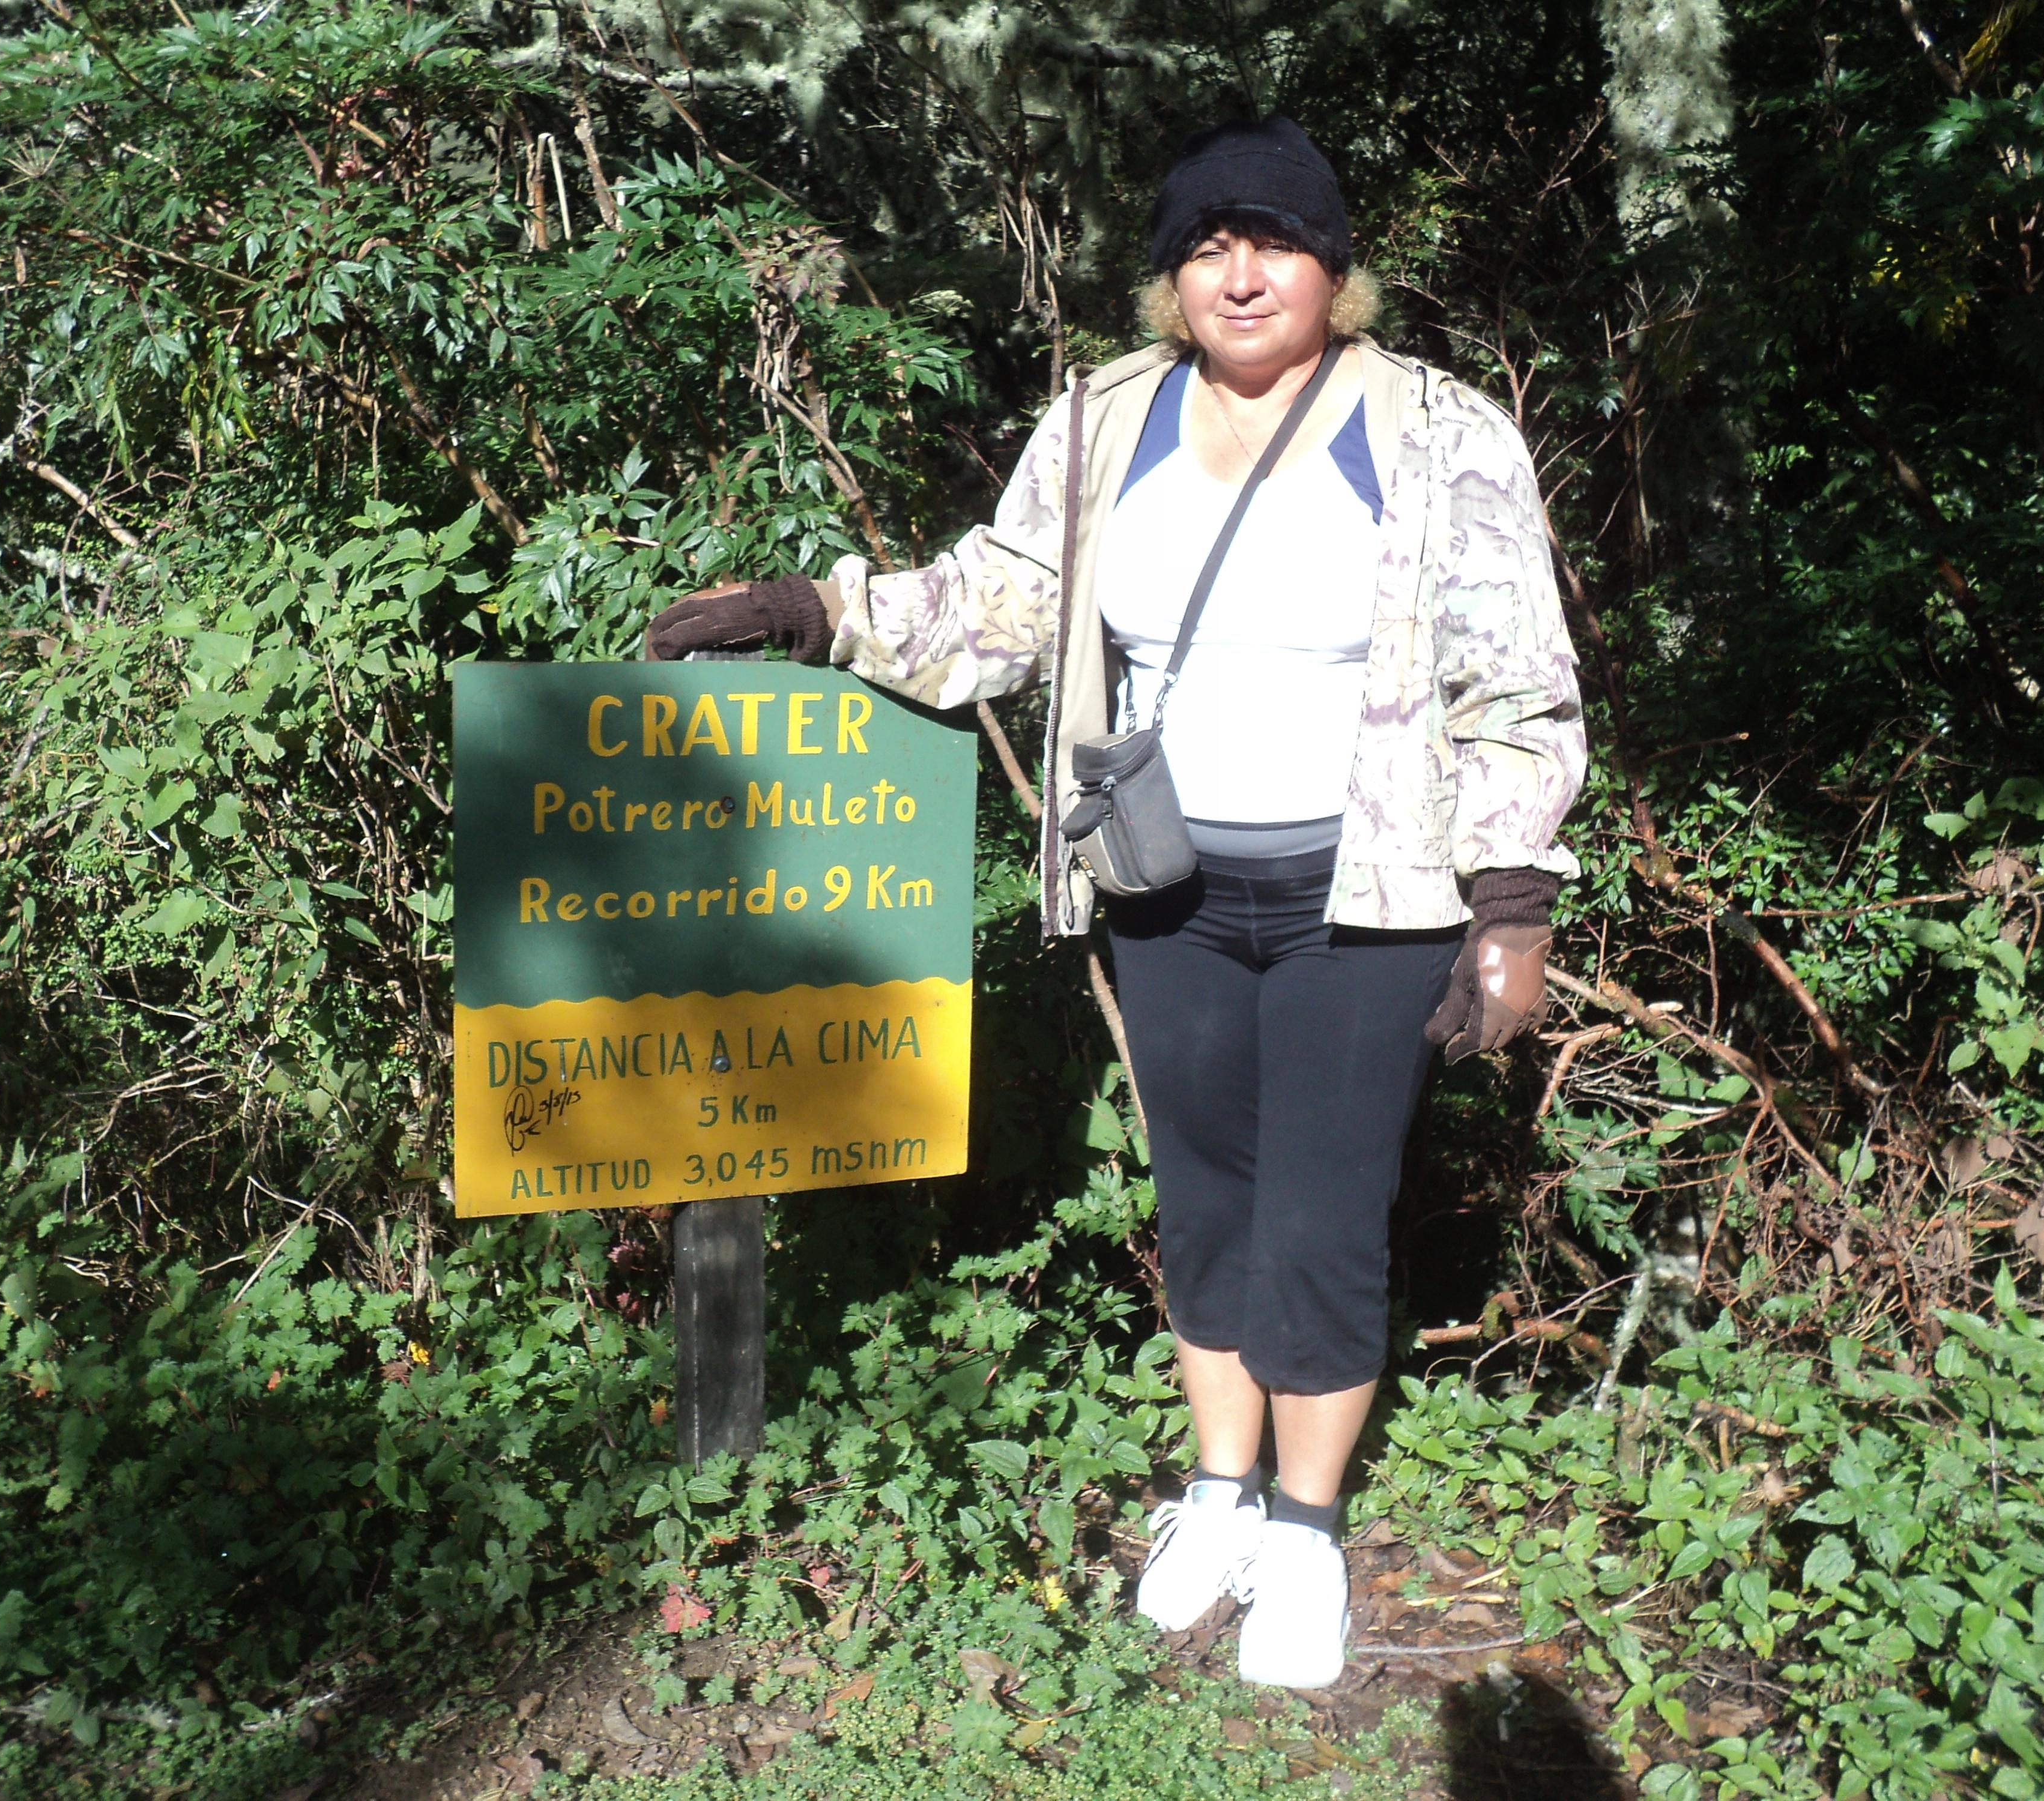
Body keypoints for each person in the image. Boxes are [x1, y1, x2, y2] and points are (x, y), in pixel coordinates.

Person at [646, 114, 1586, 1689]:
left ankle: (1303, 1531)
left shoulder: (1435, 433)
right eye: (1206, 246)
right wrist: (817, 609)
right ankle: (1216, 1495)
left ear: (1332, 268)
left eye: (1274, 241)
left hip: (1374, 900)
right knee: (1207, 1199)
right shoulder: (1103, 425)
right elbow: (997, 601)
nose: (1241, 273)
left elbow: (1519, 676)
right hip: (1166, 888)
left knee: (1320, 1221)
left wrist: (1510, 904)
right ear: (1166, 280)